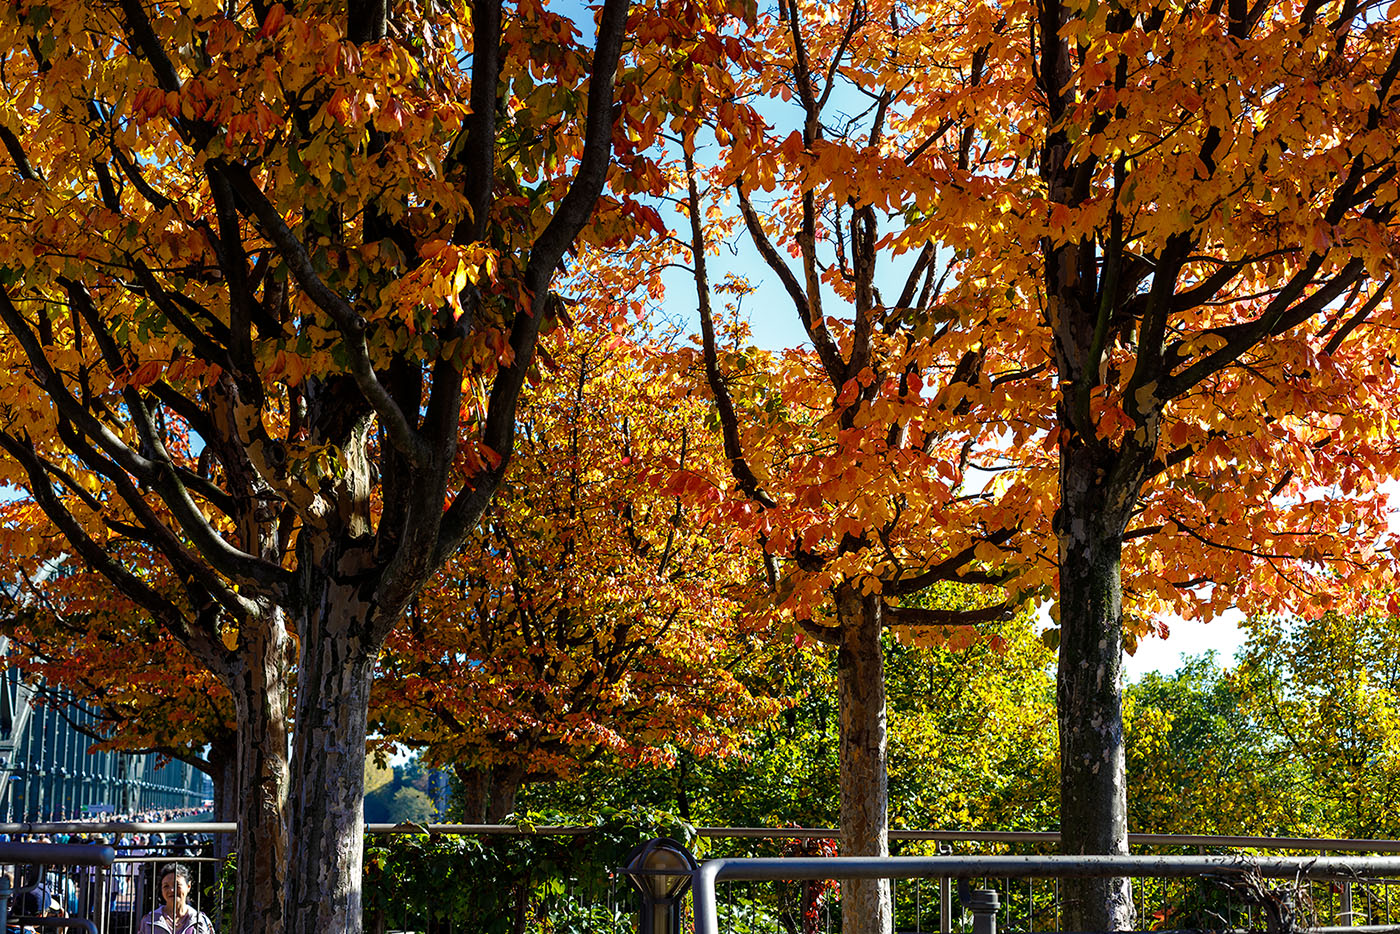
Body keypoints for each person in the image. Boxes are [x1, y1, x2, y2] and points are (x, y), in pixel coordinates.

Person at [137, 864, 214, 934]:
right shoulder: (149, 921)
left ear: (188, 886)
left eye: (177, 885)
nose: (171, 890)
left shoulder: (200, 921)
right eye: (166, 886)